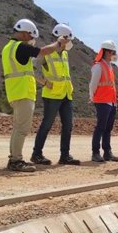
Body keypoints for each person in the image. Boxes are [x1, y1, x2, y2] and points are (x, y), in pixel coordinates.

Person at [2, 19, 67, 172]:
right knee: (22, 129)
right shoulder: (21, 47)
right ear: (25, 34)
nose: (32, 40)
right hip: (23, 92)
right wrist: (58, 43)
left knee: (18, 128)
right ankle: (16, 161)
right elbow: (42, 51)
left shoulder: (8, 48)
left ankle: (14, 158)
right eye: (31, 36)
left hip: (14, 92)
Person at [31, 23, 79, 166]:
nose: (70, 43)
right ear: (62, 38)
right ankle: (37, 154)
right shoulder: (47, 52)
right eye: (68, 39)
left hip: (65, 94)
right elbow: (33, 67)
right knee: (46, 125)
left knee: (68, 126)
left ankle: (65, 156)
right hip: (52, 94)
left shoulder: (64, 54)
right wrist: (44, 82)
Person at [89, 40, 118, 162]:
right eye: (112, 51)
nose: (114, 54)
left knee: (108, 128)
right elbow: (93, 84)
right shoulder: (98, 66)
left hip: (111, 101)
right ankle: (95, 153)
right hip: (102, 101)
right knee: (100, 127)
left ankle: (107, 152)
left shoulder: (109, 66)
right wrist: (92, 97)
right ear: (106, 52)